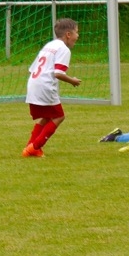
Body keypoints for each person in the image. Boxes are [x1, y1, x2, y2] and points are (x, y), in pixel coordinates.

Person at [22, 18, 81, 157]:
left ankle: (29, 146)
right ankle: (35, 147)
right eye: (76, 32)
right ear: (68, 34)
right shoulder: (63, 49)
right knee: (59, 116)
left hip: (34, 83)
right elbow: (58, 73)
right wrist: (72, 81)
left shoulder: (50, 45)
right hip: (45, 85)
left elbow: (32, 69)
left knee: (48, 117)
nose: (78, 36)